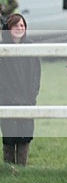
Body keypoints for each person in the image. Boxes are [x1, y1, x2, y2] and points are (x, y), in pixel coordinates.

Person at [0, 14, 41, 165]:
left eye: (22, 25)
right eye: (16, 26)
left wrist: (31, 96)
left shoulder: (31, 48)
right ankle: (9, 168)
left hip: (27, 99)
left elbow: (36, 75)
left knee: (25, 135)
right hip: (7, 100)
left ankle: (22, 168)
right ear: (8, 29)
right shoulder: (2, 50)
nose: (19, 28)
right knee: (9, 135)